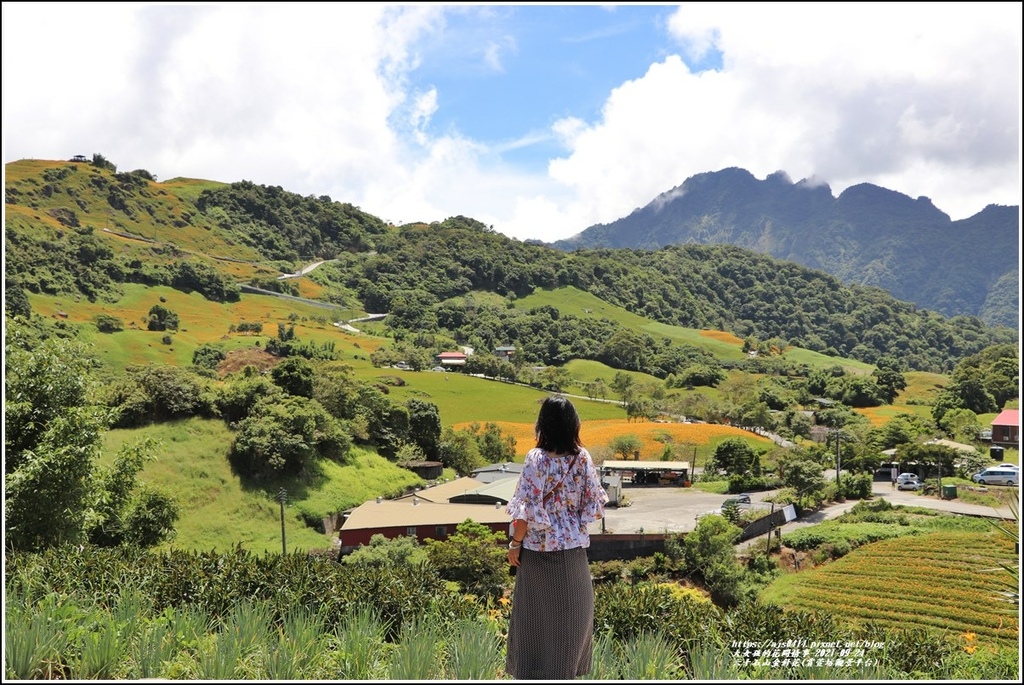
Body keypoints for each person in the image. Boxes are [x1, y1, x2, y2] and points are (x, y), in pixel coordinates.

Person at [505, 395, 609, 680]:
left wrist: (515, 544)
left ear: (543, 425)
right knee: (571, 622)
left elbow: (523, 512)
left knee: (533, 621)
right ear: (573, 424)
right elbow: (595, 509)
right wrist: (568, 516)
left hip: (536, 554)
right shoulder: (582, 458)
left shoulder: (534, 459)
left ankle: (530, 674)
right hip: (572, 554)